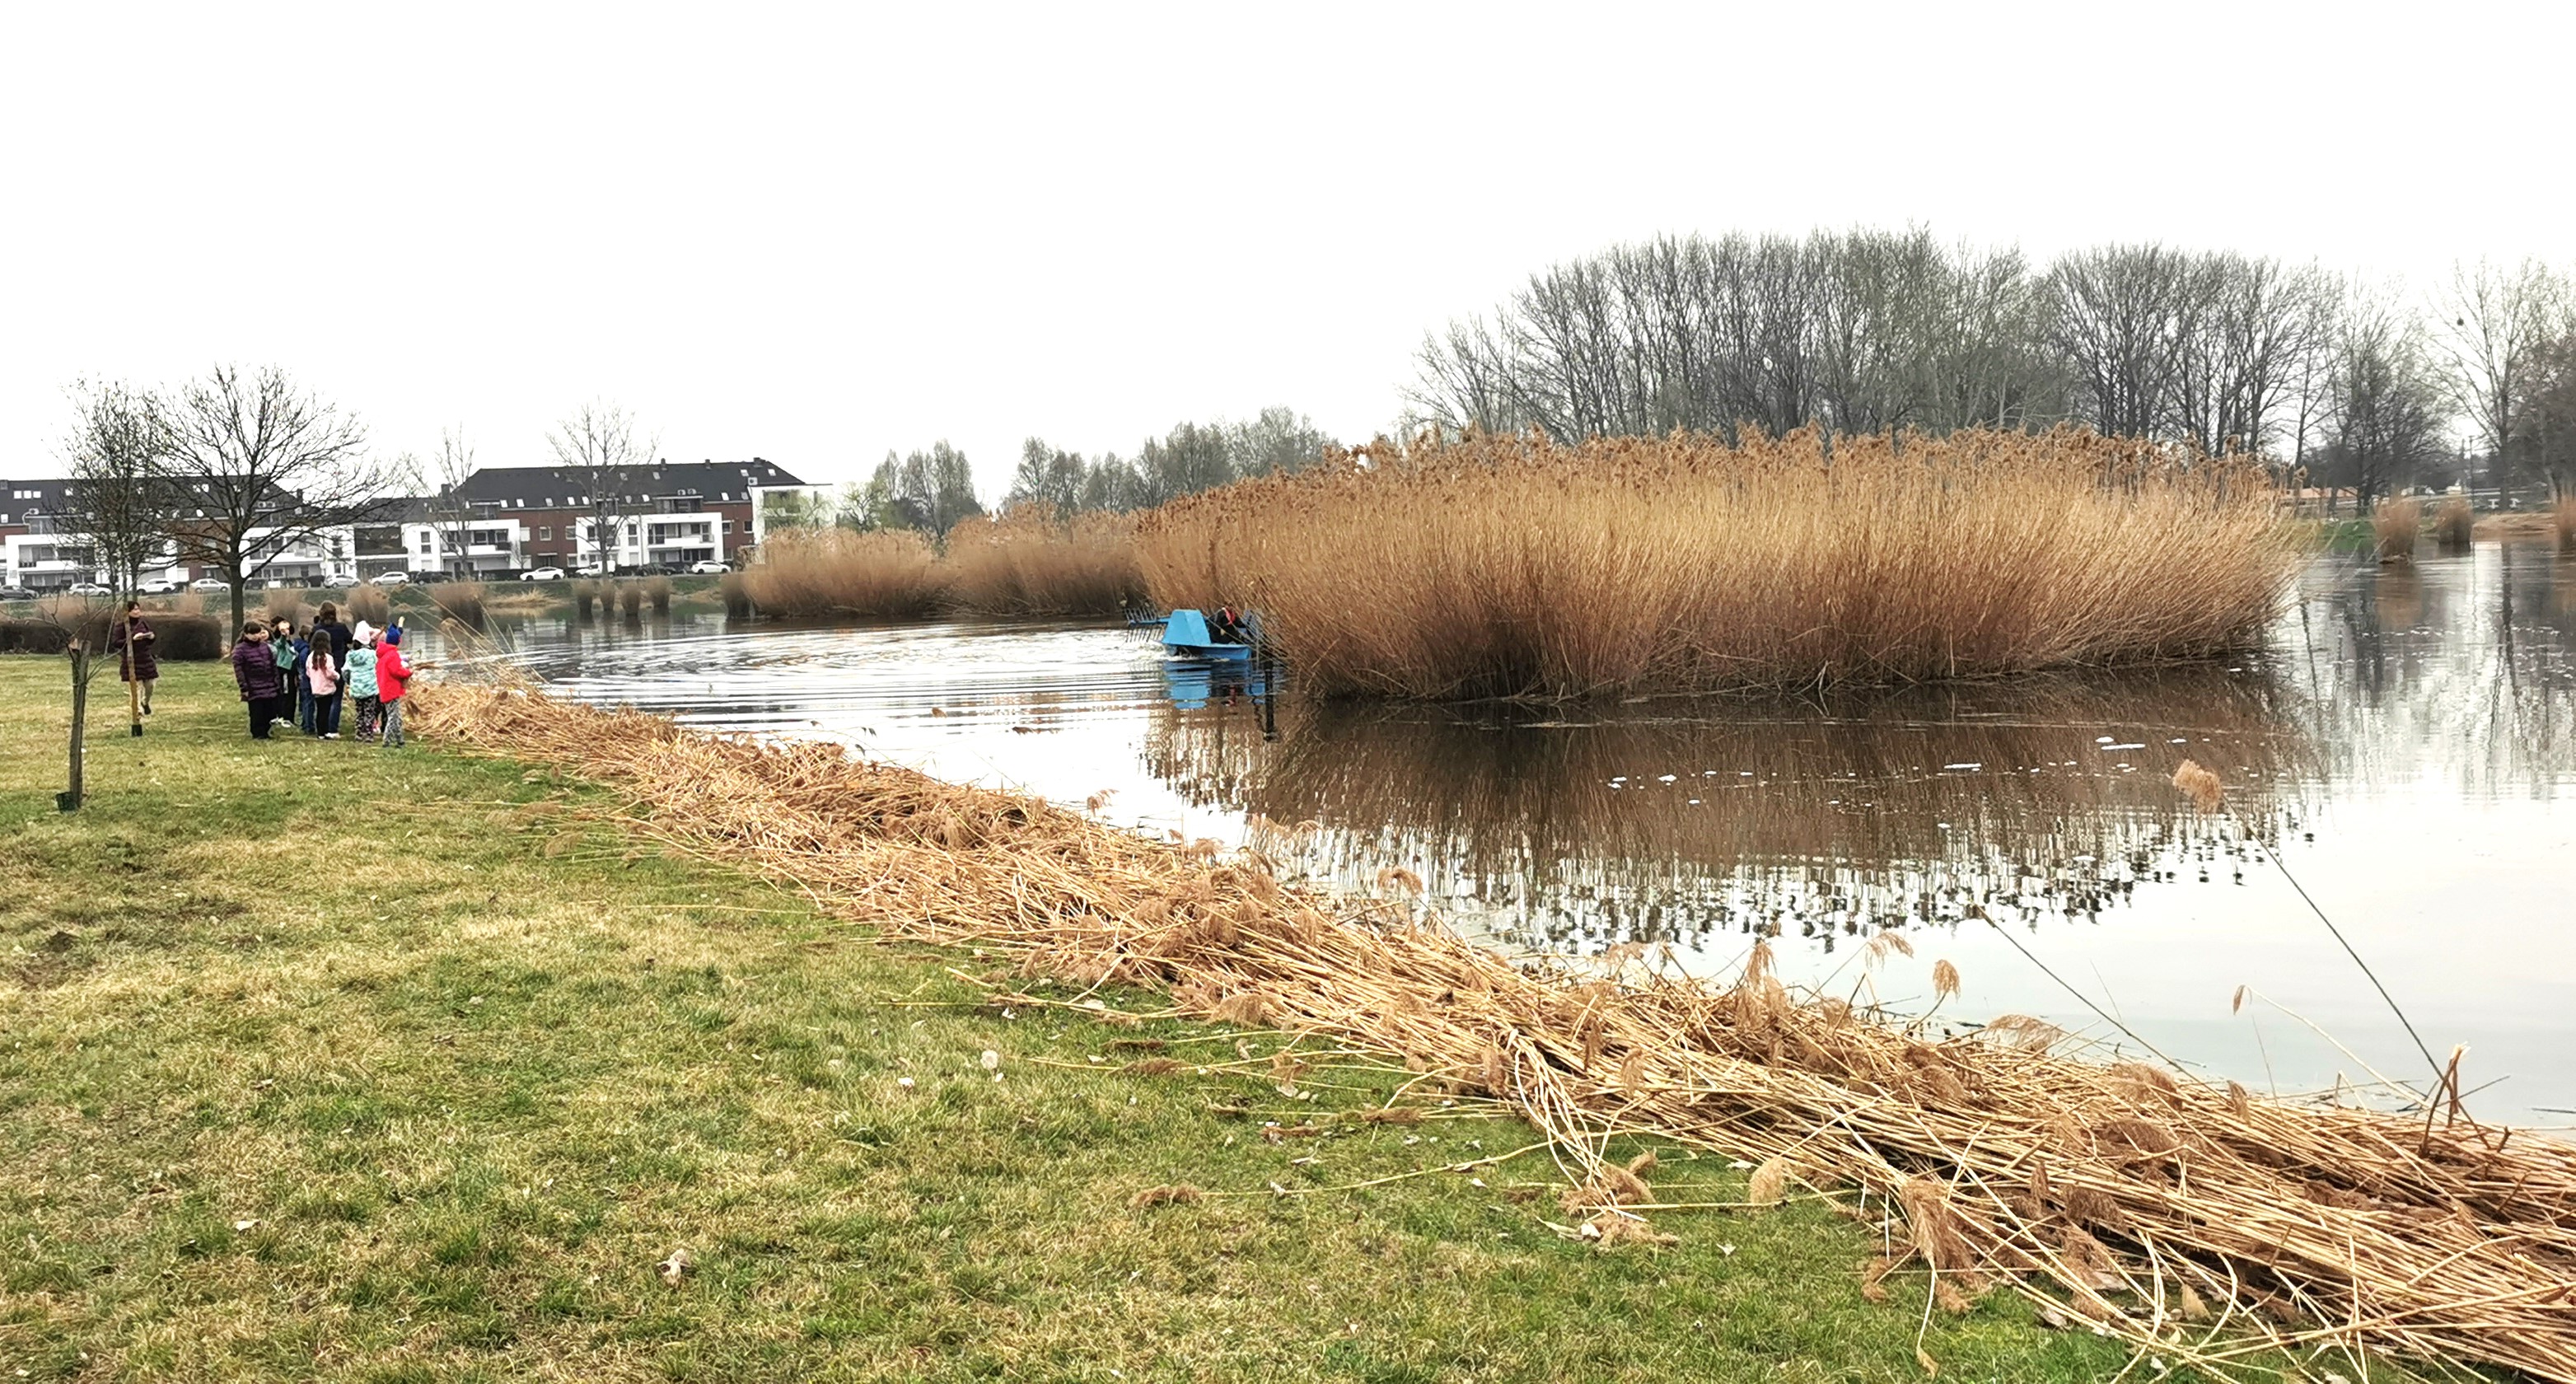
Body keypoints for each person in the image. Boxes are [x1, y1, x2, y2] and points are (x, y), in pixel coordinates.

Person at [231, 621, 283, 740]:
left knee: (270, 711)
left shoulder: (265, 647)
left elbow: (272, 664)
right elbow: (239, 669)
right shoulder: (240, 649)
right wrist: (244, 687)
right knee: (257, 711)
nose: (255, 636)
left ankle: (266, 731)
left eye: (257, 633)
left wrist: (276, 681)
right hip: (253, 685)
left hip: (269, 683)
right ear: (246, 634)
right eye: (252, 634)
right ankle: (258, 733)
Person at [312, 602, 353, 736]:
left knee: (322, 702)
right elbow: (350, 639)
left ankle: (321, 728)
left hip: (320, 668)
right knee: (336, 699)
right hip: (338, 665)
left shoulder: (317, 628)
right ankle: (332, 728)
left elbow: (310, 645)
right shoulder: (341, 628)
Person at [113, 600, 158, 715]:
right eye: (135, 609)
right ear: (127, 612)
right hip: (132, 660)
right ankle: (137, 710)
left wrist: (151, 637)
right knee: (136, 688)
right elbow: (117, 643)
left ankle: (145, 702)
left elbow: (150, 641)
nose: (138, 611)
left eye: (138, 609)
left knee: (150, 685)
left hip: (146, 658)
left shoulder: (142, 623)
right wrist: (132, 639)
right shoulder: (121, 626)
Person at [376, 624, 418, 749]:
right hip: (391, 690)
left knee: (397, 716)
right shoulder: (392, 655)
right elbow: (397, 671)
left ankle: (400, 741)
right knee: (393, 717)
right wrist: (409, 672)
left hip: (385, 689)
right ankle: (387, 741)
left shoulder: (384, 655)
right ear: (397, 642)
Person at [346, 622, 381, 743]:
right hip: (370, 687)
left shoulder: (350, 655)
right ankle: (369, 735)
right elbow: (378, 667)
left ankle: (359, 734)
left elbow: (345, 671)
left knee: (359, 711)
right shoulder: (372, 654)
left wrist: (350, 682)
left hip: (356, 688)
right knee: (369, 712)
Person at [306, 632, 344, 740]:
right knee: (326, 711)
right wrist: (337, 676)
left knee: (319, 710)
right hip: (327, 688)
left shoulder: (310, 657)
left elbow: (308, 672)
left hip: (316, 688)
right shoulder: (328, 657)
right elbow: (330, 672)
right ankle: (326, 731)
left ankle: (320, 732)